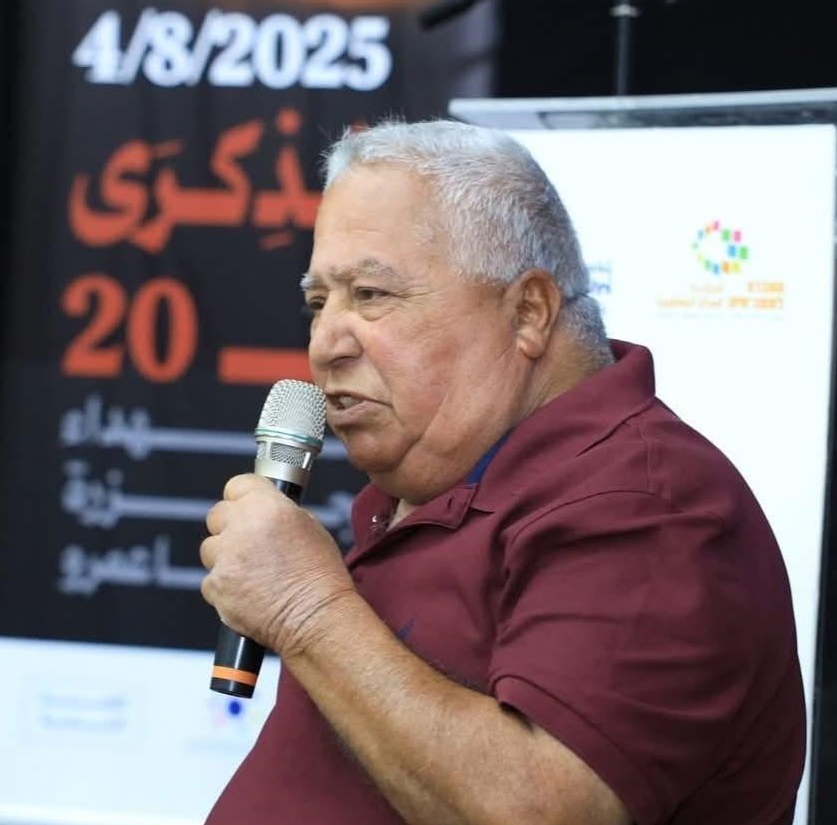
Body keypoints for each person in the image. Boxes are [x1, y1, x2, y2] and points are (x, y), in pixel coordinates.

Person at [200, 119, 806, 825]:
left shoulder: (648, 503)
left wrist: (308, 608)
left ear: (528, 313)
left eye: (369, 294)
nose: (325, 342)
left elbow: (540, 811)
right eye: (317, 302)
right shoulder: (434, 482)